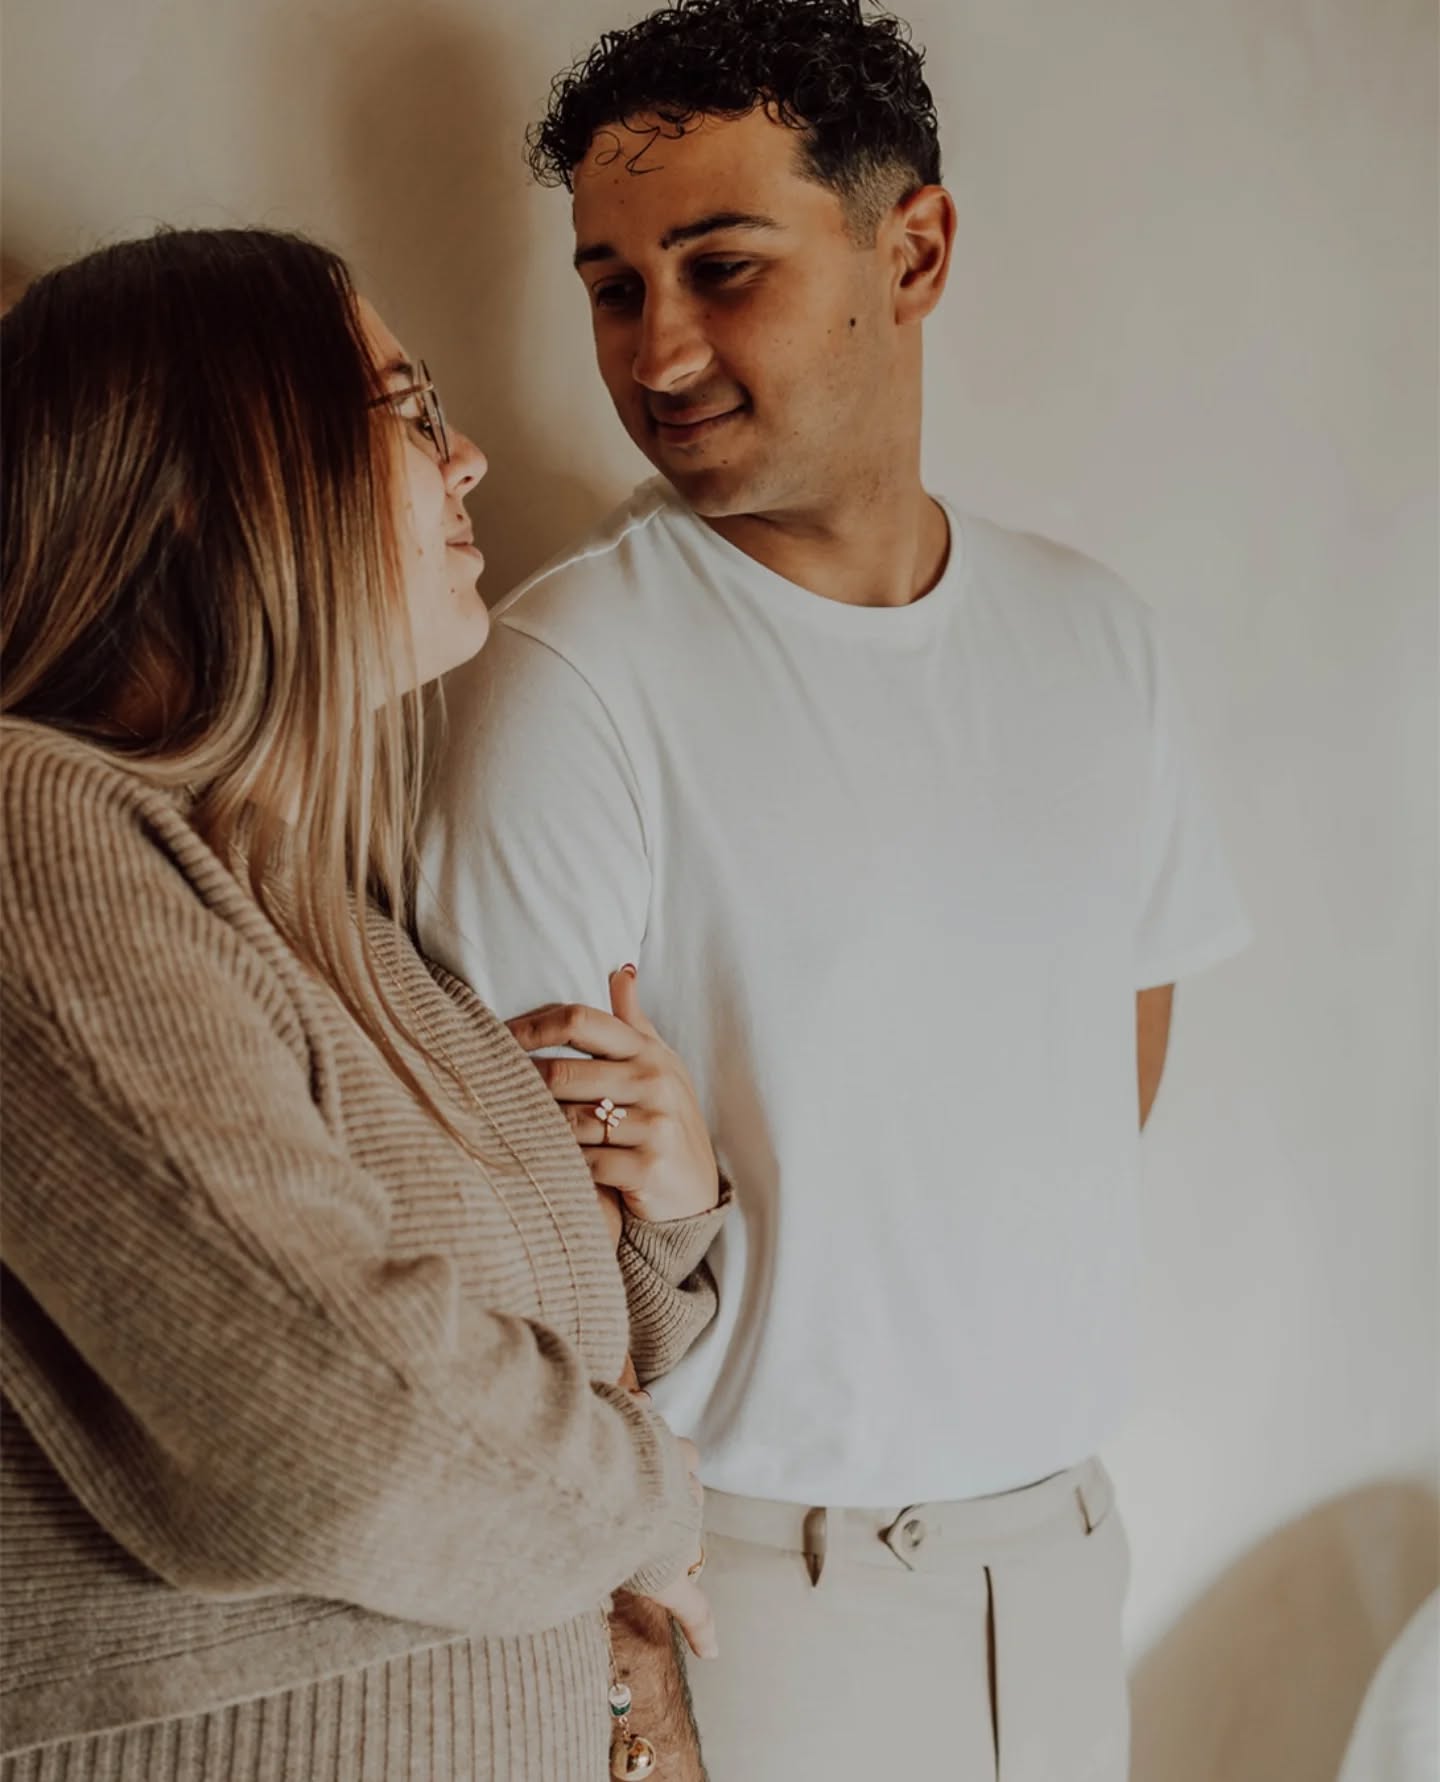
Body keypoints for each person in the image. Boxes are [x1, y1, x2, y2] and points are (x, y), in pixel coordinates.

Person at [418, 1, 1252, 1775]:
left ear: (917, 249)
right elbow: (511, 1246)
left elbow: (1113, 1068)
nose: (656, 351)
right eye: (612, 286)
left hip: (1065, 1559)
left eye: (722, 267)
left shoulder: (1097, 640)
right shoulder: (576, 672)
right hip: (743, 1591)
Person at [0, 225, 728, 1782]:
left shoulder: (334, 904)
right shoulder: (34, 830)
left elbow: (534, 1362)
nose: (466, 457)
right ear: (205, 481)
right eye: (404, 408)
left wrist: (670, 1216)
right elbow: (334, 1427)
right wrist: (653, 1507)